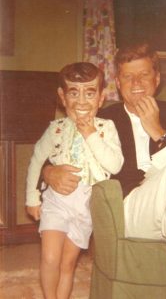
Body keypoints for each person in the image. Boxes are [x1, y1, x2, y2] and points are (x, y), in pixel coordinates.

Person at [42, 43, 166, 299]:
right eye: (127, 76)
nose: (136, 82)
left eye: (144, 74)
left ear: (156, 79)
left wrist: (158, 131)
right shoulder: (103, 119)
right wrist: (48, 172)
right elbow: (55, 148)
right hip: (131, 210)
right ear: (118, 83)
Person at [25, 62, 124, 299]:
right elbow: (36, 160)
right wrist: (32, 197)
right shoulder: (56, 128)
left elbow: (115, 165)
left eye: (90, 93)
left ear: (100, 98)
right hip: (57, 200)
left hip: (88, 204)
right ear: (62, 97)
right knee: (50, 258)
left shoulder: (106, 128)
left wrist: (90, 133)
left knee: (67, 264)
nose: (81, 101)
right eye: (73, 92)